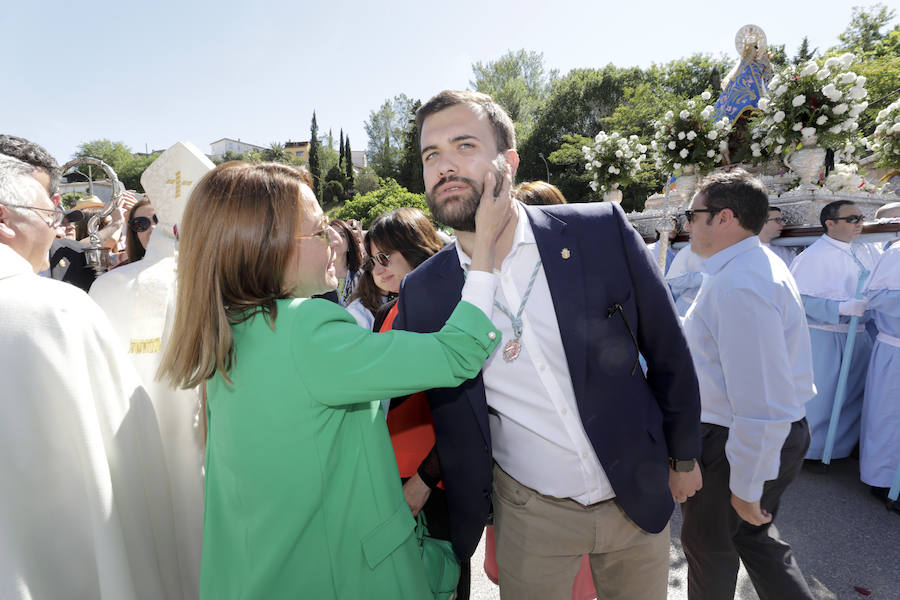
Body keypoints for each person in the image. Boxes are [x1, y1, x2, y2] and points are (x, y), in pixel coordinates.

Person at [393, 90, 702, 600]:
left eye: (464, 146)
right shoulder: (423, 292)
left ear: (508, 162)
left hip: (635, 491)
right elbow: (419, 401)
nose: (445, 166)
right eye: (431, 155)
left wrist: (684, 457)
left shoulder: (598, 232)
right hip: (529, 514)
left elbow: (669, 350)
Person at [157, 160, 511, 599]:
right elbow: (459, 353)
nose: (335, 243)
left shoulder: (232, 330)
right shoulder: (305, 330)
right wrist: (486, 253)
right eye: (320, 230)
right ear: (271, 246)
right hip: (342, 575)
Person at [0, 153, 181, 599]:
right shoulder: (55, 310)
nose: (55, 224)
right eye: (49, 210)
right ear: (3, 220)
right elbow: (131, 454)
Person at [680, 170, 816, 600]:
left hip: (734, 440)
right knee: (753, 538)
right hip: (758, 434)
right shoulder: (750, 264)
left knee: (709, 549)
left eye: (692, 214)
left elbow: (761, 402)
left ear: (724, 218)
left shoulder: (739, 283)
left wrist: (746, 484)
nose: (686, 225)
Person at [90, 141, 214, 599]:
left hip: (127, 452)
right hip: (201, 450)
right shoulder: (218, 285)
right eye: (137, 222)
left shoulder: (105, 287)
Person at [789, 200, 882, 460]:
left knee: (852, 396)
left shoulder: (867, 250)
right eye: (852, 219)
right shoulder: (812, 256)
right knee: (820, 398)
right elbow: (797, 300)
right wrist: (839, 308)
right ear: (830, 223)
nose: (859, 223)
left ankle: (838, 449)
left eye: (861, 218)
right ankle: (808, 451)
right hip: (824, 335)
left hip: (859, 333)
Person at [860, 240, 900, 512]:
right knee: (888, 418)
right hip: (895, 348)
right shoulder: (897, 252)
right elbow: (873, 296)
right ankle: (883, 482)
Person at [329, 218, 363, 306]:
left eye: (342, 235)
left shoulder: (361, 276)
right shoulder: (317, 276)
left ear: (349, 244)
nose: (336, 239)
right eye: (331, 236)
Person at [123, 198, 157, 264]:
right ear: (136, 236)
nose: (153, 227)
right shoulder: (121, 273)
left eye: (158, 219)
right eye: (141, 224)